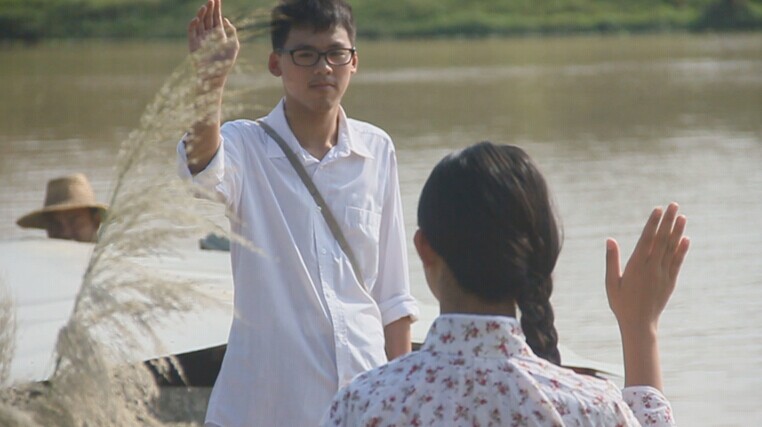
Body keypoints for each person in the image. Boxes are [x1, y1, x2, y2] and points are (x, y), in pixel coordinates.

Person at [322, 142, 689, 426]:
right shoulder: (589, 408)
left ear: (424, 248)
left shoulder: (364, 405)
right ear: (540, 254)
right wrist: (640, 327)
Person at [178, 0, 419, 425]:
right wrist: (209, 82)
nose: (323, 68)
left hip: (361, 399)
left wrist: (400, 404)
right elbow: (202, 171)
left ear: (354, 61)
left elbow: (393, 297)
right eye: (305, 55)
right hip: (267, 407)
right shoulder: (245, 145)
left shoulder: (376, 149)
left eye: (336, 54)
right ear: (276, 64)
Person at [16, 173, 107, 243]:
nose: (65, 233)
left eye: (74, 222)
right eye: (55, 224)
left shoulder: (111, 258)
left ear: (96, 221)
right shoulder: (38, 259)